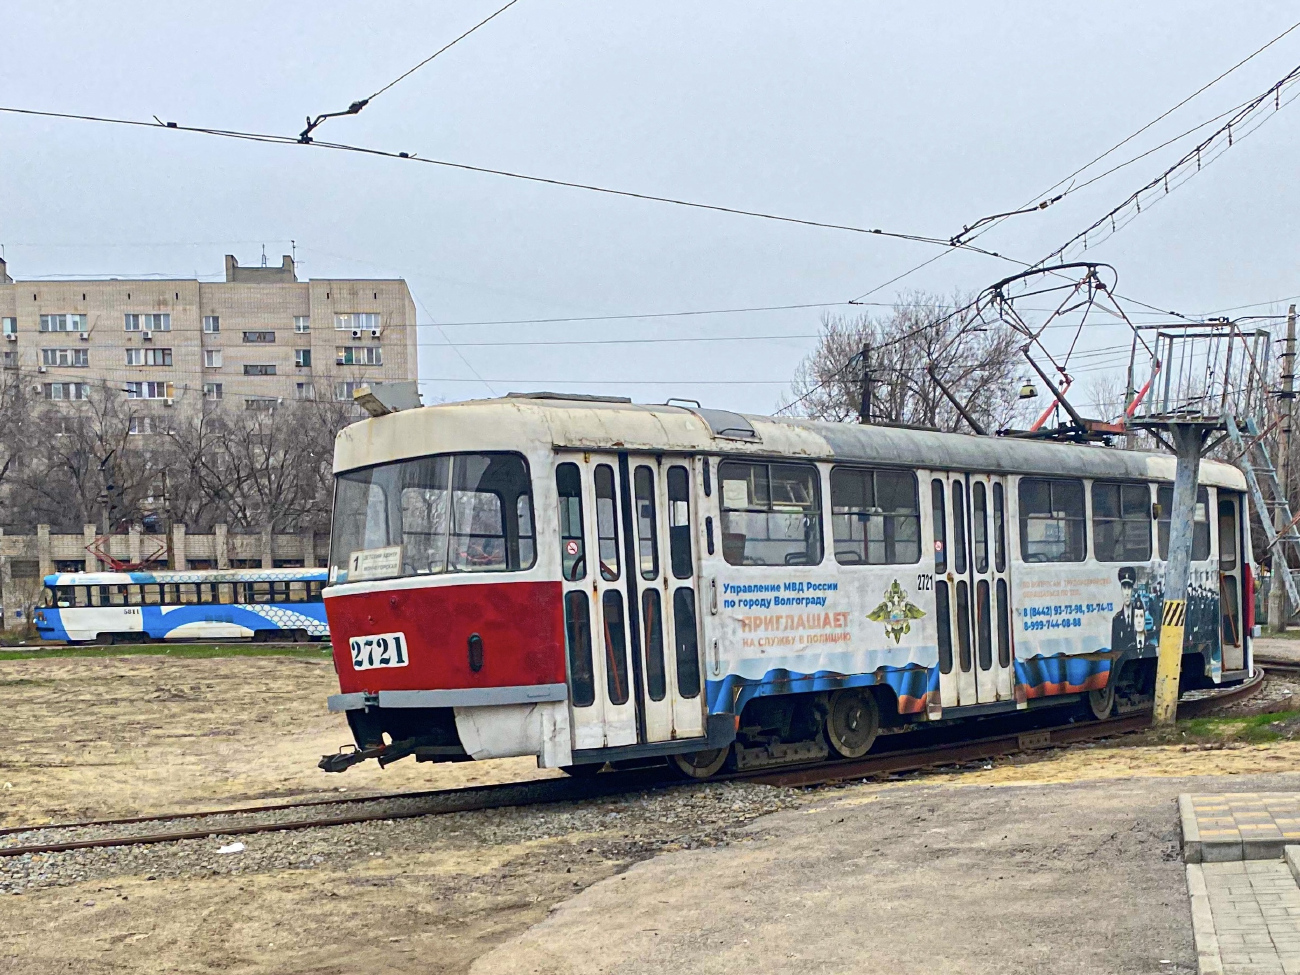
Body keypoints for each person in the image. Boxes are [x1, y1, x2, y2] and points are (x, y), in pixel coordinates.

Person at [1111, 567, 1139, 652]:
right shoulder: (1116, 620)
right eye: (1124, 588)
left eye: (1129, 588)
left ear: (1132, 590)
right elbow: (1114, 649)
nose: (1127, 593)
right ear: (1121, 590)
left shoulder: (1139, 616)